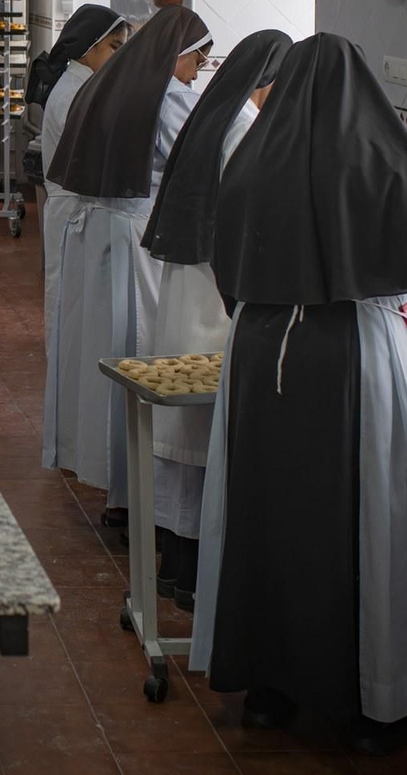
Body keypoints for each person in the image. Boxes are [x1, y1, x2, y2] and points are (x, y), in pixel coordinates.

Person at [191, 34, 407, 755]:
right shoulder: (386, 157)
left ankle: (268, 690)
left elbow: (225, 263)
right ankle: (368, 701)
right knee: (364, 518)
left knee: (267, 513)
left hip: (264, 353)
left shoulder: (249, 159)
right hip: (357, 351)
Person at [140, 30, 292, 610]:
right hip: (214, 298)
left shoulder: (213, 115)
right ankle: (197, 576)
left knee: (186, 447)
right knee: (205, 443)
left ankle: (177, 568)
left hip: (188, 287)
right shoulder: (245, 130)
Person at [41, 5, 212, 523]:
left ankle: (115, 481)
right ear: (177, 56)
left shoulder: (108, 82)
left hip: (99, 235)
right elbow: (197, 160)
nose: (195, 74)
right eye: (196, 62)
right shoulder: (170, 96)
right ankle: (135, 491)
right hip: (137, 237)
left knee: (103, 351)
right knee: (138, 354)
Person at [39, 5, 130, 336]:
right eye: (114, 48)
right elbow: (92, 156)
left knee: (76, 299)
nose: (118, 57)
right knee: (66, 298)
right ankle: (61, 379)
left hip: (76, 209)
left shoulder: (84, 86)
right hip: (71, 210)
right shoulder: (74, 92)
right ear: (91, 47)